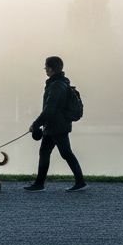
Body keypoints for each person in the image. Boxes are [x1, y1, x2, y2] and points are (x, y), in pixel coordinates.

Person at [24, 56, 87, 192]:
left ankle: (80, 182)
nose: (45, 68)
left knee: (66, 153)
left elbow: (49, 110)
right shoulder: (61, 83)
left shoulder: (55, 86)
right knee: (44, 153)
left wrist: (35, 124)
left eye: (46, 66)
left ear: (51, 68)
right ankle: (39, 184)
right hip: (53, 126)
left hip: (57, 127)